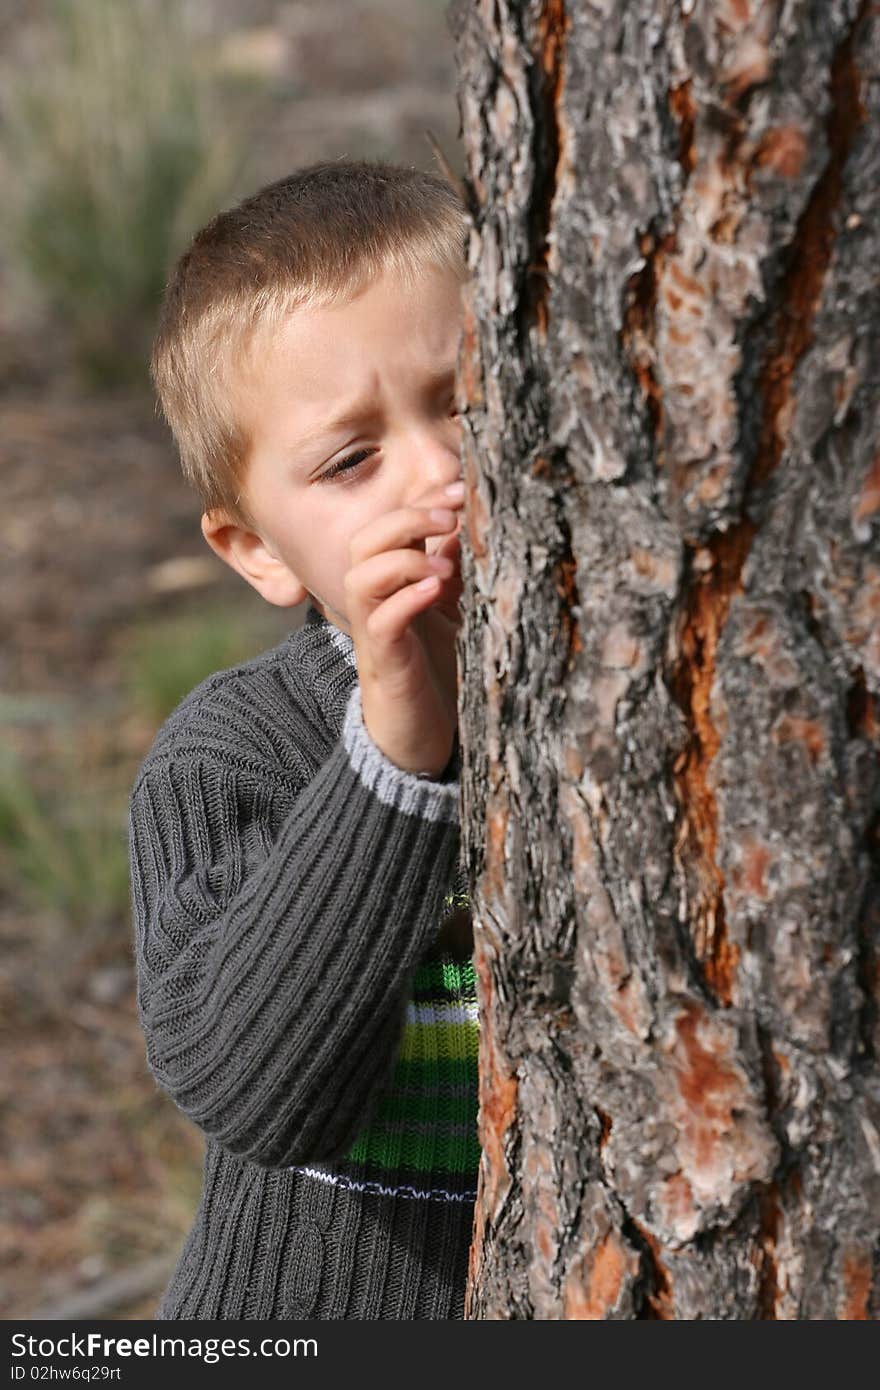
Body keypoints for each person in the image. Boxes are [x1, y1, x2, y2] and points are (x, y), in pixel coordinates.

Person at [128, 158, 479, 1320]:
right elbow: (247, 1084)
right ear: (259, 551)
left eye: (468, 401)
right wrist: (392, 759)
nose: (439, 476)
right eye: (350, 459)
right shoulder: (232, 756)